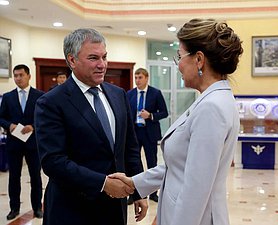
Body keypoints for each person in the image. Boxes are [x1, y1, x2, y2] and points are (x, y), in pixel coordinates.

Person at [110, 18, 243, 225]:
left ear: (199, 60)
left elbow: (196, 190)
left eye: (179, 56)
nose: (178, 65)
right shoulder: (211, 99)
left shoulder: (211, 108)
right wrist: (135, 183)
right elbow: (180, 166)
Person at [34, 28, 148, 225]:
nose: (102, 65)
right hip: (72, 210)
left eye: (104, 57)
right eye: (94, 58)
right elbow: (53, 162)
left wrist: (138, 190)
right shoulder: (51, 103)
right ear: (72, 60)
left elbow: (129, 147)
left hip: (114, 209)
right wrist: (103, 183)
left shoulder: (118, 94)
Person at [0, 64, 44, 220]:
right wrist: (9, 125)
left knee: (35, 177)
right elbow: (1, 117)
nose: (18, 78)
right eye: (16, 75)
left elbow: (44, 118)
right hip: (14, 144)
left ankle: (37, 207)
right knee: (14, 177)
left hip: (33, 144)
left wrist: (32, 126)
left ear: (29, 76)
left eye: (21, 75)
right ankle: (14, 208)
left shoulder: (40, 96)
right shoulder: (8, 97)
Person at [126, 68, 168, 203]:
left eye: (140, 77)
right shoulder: (129, 94)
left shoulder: (155, 93)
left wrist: (150, 115)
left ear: (146, 78)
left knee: (152, 162)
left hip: (149, 132)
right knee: (134, 163)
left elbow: (164, 112)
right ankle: (134, 194)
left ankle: (153, 193)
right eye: (136, 77)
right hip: (134, 133)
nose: (137, 80)